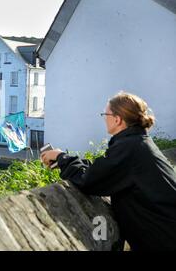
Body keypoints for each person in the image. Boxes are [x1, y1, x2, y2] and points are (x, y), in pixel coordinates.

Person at [41, 92, 176, 251]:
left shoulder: (129, 147)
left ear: (117, 119)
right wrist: (64, 159)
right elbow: (103, 171)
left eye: (105, 114)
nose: (104, 118)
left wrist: (61, 157)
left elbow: (88, 180)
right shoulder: (138, 143)